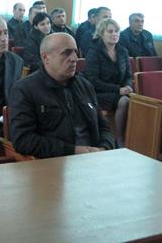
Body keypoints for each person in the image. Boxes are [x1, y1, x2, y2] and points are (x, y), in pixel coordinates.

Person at [8, 33, 116, 158]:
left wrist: (104, 148)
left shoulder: (85, 86)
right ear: (46, 58)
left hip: (95, 158)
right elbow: (23, 140)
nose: (75, 58)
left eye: (75, 52)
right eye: (66, 53)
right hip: (56, 162)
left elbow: (104, 127)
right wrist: (72, 150)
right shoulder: (25, 90)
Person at [84, 18, 132, 147]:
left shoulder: (122, 51)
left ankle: (134, 138)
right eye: (110, 31)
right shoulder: (94, 51)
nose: (114, 34)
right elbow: (92, 80)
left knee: (139, 101)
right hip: (97, 93)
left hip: (118, 92)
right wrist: (118, 89)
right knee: (124, 101)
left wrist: (128, 86)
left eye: (116, 31)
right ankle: (119, 139)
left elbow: (128, 75)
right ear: (101, 33)